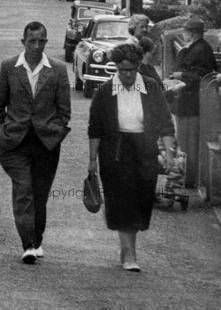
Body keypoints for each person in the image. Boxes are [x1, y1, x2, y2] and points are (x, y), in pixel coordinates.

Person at [88, 44, 176, 272]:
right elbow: (95, 129)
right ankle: (129, 253)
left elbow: (165, 123)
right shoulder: (105, 92)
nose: (126, 74)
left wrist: (168, 152)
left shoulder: (151, 88)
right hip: (115, 153)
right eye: (122, 70)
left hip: (145, 151)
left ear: (138, 67)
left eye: (131, 70)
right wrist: (92, 162)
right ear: (116, 67)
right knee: (122, 200)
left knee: (141, 201)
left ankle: (128, 245)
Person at [0, 21, 72, 264]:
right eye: (31, 41)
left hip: (46, 144)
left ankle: (36, 240)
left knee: (39, 194)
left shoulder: (57, 70)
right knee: (24, 190)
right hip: (15, 143)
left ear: (46, 42)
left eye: (41, 41)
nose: (36, 46)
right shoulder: (9, 67)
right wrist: (2, 131)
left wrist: (56, 133)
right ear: (23, 42)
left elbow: (64, 111)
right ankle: (27, 244)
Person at [170, 17, 217, 187]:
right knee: (184, 141)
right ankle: (185, 177)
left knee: (188, 143)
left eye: (185, 31)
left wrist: (182, 76)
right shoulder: (193, 48)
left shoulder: (201, 49)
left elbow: (202, 76)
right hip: (186, 102)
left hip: (192, 103)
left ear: (193, 33)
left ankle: (188, 179)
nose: (183, 34)